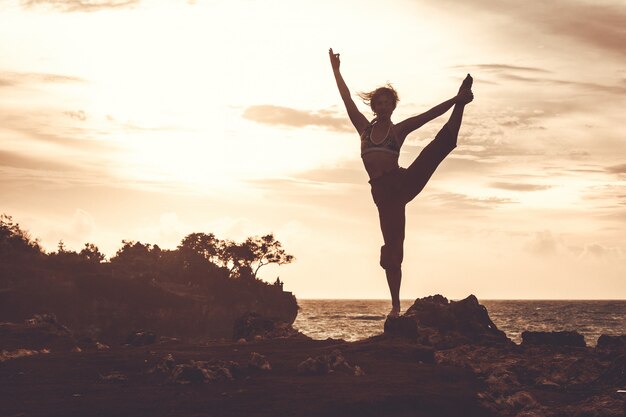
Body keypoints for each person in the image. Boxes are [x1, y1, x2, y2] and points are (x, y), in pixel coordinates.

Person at [329, 48, 474, 318]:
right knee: (393, 250)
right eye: (379, 103)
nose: (383, 106)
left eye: (387, 103)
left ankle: (462, 106)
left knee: (440, 145)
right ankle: (395, 306)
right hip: (384, 196)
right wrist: (337, 71)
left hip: (403, 182)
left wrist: (457, 99)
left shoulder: (398, 131)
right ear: (374, 107)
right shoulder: (364, 130)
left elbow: (430, 115)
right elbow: (347, 99)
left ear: (393, 106)